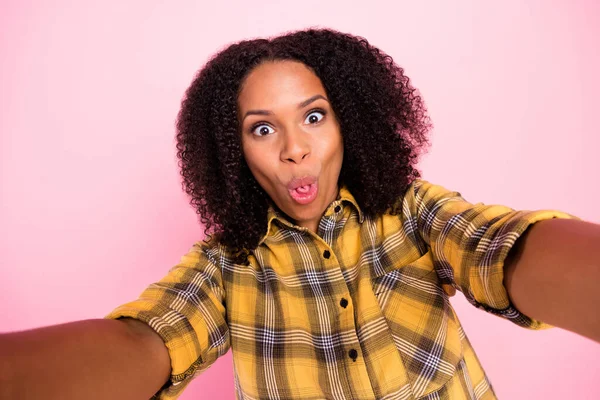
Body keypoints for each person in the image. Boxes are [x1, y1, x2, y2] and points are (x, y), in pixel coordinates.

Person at [1, 28, 599, 400]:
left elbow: (498, 246)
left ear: (349, 123)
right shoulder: (226, 269)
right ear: (235, 153)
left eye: (313, 116)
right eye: (263, 129)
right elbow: (146, 342)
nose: (295, 148)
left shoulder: (413, 213)